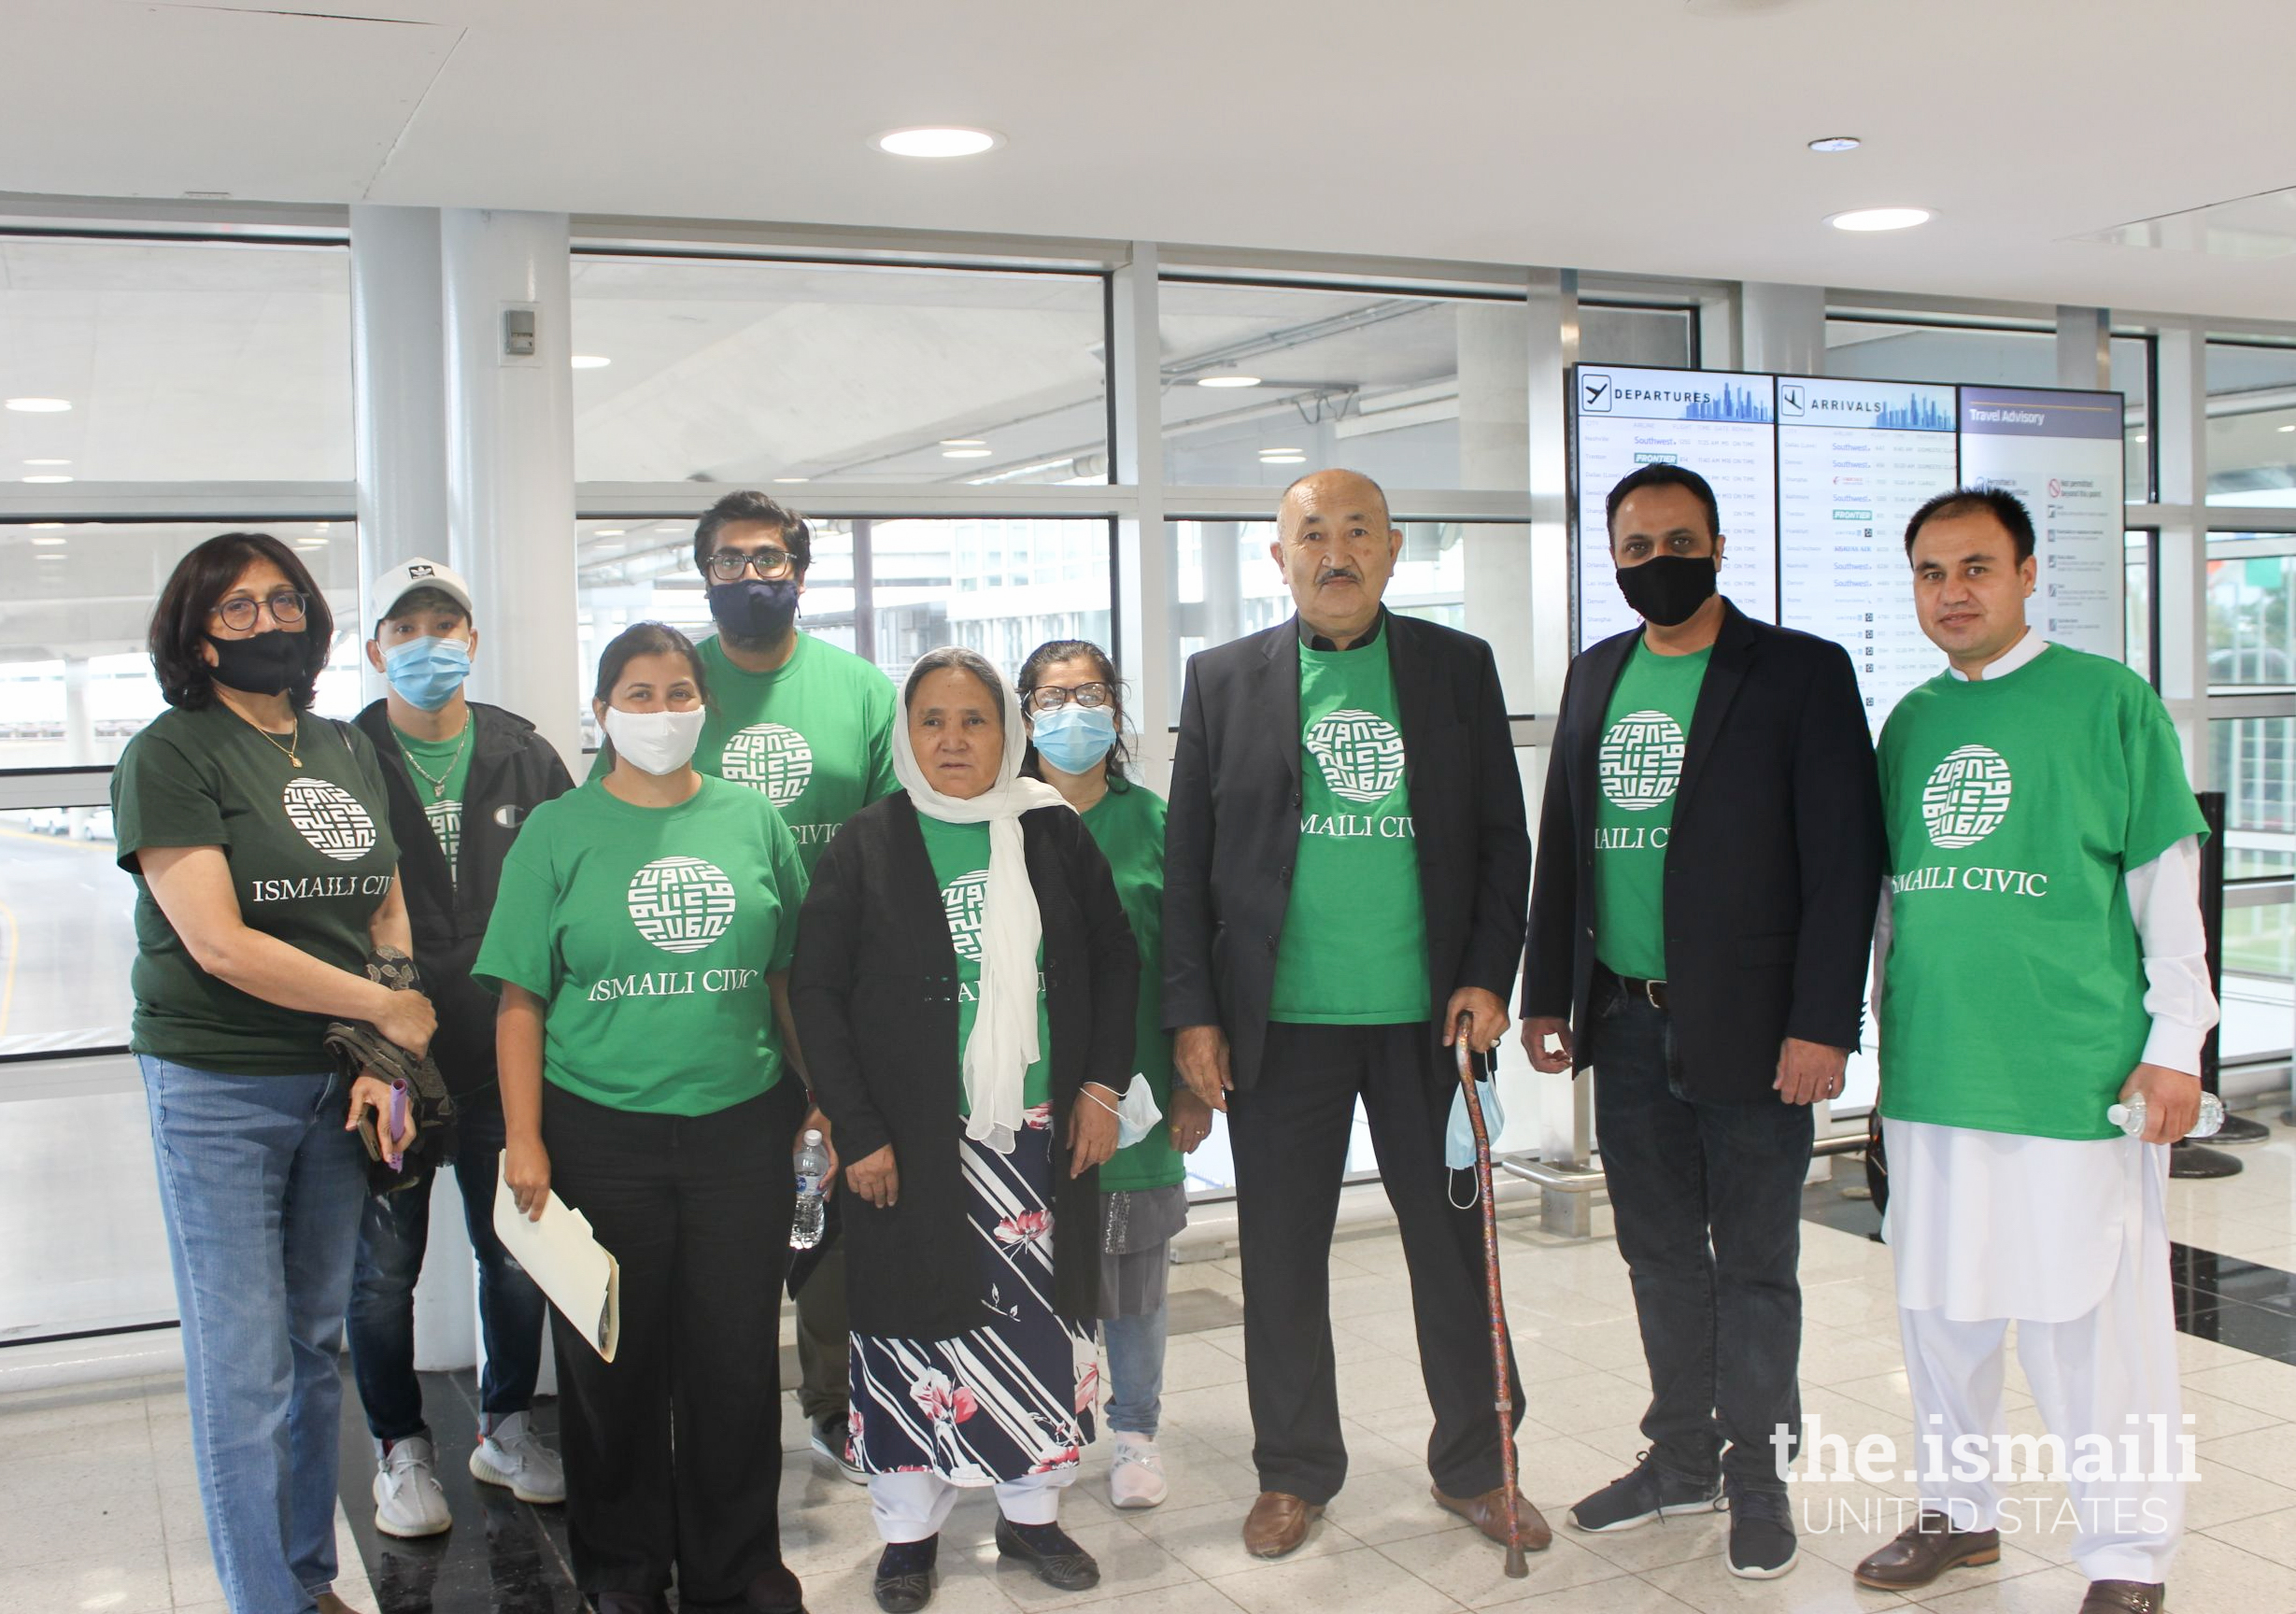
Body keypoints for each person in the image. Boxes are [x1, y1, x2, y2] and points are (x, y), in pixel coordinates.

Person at [1162, 468, 1538, 1561]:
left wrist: (1487, 974)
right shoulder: (1225, 678)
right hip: (1281, 1025)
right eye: (1310, 534)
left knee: (1454, 1254)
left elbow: (1499, 845)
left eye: (1357, 531)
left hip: (1432, 1026)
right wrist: (1193, 1013)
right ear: (1276, 560)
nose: (1335, 551)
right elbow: (1188, 862)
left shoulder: (1454, 669)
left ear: (1393, 549)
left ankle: (1481, 1465)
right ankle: (1292, 1471)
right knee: (1280, 1258)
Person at [1519, 462, 1885, 1579]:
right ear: (1615, 560)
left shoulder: (1797, 673)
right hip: (1624, 1023)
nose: (1656, 563)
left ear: (1717, 547)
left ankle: (1759, 1475)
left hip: (1756, 1027)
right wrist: (1548, 994)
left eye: (1677, 541)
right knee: (1659, 1255)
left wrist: (1823, 1024)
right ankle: (1680, 1458)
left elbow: (1842, 860)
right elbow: (1565, 843)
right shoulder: (1595, 674)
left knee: (1757, 1263)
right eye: (1635, 547)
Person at [1853, 488, 2212, 1614]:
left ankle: (2125, 1553)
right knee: (1941, 1312)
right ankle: (1958, 1516)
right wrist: (1879, 1053)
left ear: (2024, 575)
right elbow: (1889, 908)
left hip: (2075, 1077)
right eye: (1928, 573)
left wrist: (2179, 1046)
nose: (1950, 593)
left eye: (1973, 568)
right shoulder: (1907, 723)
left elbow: (2167, 895)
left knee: (2087, 1328)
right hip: (1935, 1074)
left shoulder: (2108, 703)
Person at [114, 531, 431, 1614]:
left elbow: (383, 902)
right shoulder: (172, 753)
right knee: (244, 1367)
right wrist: (385, 1005)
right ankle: (263, 1600)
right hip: (218, 1088)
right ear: (194, 634)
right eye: (236, 608)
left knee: (312, 1347)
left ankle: (306, 1579)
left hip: (335, 1083)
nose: (265, 624)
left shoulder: (342, 745)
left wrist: (381, 1054)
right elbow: (218, 944)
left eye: (283, 602)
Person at [476, 622, 818, 1614]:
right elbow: (518, 1001)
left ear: (704, 706)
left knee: (734, 1366)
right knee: (607, 1369)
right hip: (597, 1137)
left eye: (679, 693)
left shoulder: (753, 821)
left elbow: (789, 974)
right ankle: (622, 1572)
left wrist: (822, 1097)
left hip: (740, 1132)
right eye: (638, 693)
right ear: (601, 712)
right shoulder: (556, 831)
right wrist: (527, 1139)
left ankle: (738, 1569)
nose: (661, 713)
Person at [790, 646, 1139, 1613]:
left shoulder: (1052, 833)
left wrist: (1103, 1090)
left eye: (974, 720)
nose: (953, 739)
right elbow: (817, 993)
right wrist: (858, 1132)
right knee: (906, 1333)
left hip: (1038, 1140)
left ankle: (1032, 1519)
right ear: (906, 734)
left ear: (1007, 732)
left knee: (1041, 1334)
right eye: (932, 720)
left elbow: (1114, 960)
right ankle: (907, 1535)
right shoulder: (866, 842)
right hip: (907, 1146)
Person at [591, 488, 900, 1479]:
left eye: (769, 558)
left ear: (799, 572)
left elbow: (900, 842)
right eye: (729, 561)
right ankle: (705, 1418)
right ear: (704, 575)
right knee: (718, 1221)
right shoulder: (678, 686)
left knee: (831, 1209)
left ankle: (836, 1403)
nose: (751, 576)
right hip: (711, 986)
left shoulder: (858, 689)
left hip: (838, 989)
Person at [346, 557, 574, 1537]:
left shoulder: (526, 755)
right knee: (385, 1269)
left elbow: (572, 889)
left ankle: (505, 1426)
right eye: (406, 630)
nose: (428, 645)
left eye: (446, 627)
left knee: (513, 1257)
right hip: (388, 1061)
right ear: (375, 650)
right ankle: (400, 1449)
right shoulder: (337, 758)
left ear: (473, 642)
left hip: (501, 1056)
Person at [1016, 638, 1214, 1511]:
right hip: (1019, 1098)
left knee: (1133, 1278)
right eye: (1051, 697)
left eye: (1089, 693)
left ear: (1118, 708)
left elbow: (1190, 963)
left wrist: (1188, 1085)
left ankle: (1134, 1430)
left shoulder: (1158, 823)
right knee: (1030, 1273)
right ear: (1024, 713)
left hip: (1130, 1095)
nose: (1071, 713)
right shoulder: (999, 817)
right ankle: (1042, 1426)